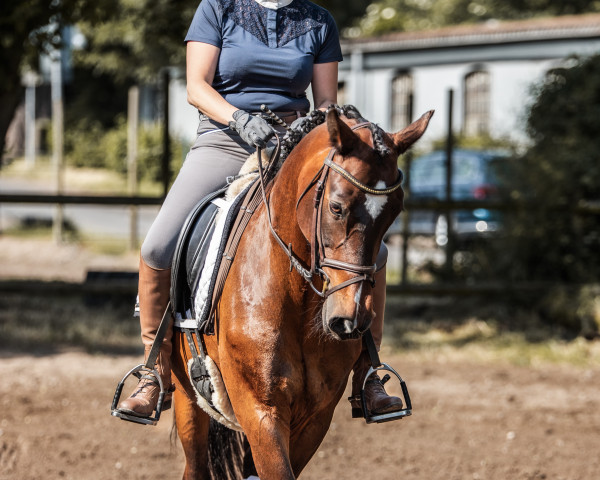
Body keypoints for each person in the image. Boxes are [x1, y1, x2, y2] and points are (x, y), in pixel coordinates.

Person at [116, 0, 402, 421]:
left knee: (373, 254)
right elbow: (197, 86)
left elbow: (325, 104)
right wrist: (239, 119)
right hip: (225, 140)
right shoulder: (217, 8)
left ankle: (367, 374)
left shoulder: (318, 21)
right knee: (158, 246)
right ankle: (154, 372)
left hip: (295, 146)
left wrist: (321, 128)